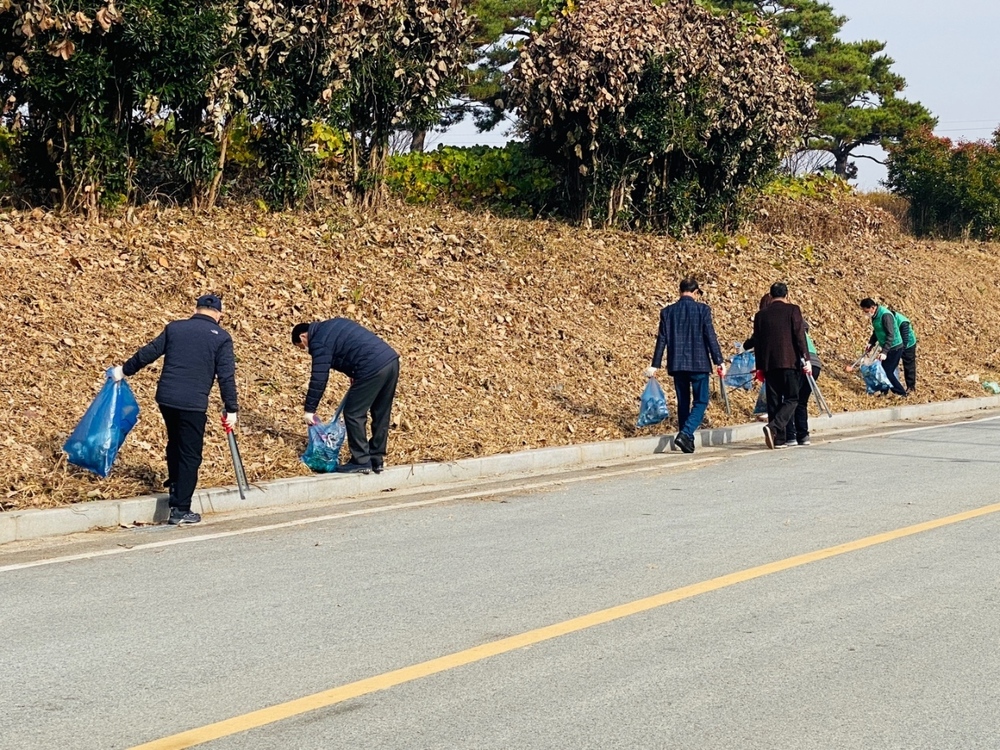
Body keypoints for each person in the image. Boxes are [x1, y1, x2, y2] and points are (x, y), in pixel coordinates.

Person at [109, 294, 239, 525]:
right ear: (218, 314)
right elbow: (226, 377)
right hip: (193, 402)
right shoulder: (222, 338)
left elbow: (148, 352)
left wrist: (124, 371)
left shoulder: (175, 328)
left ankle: (175, 487)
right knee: (190, 454)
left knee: (175, 442)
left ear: (197, 309)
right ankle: (180, 509)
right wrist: (231, 409)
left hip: (166, 398)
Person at [293, 318, 400, 474]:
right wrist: (354, 373)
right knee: (381, 412)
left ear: (303, 336)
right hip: (390, 361)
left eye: (302, 347)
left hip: (371, 367)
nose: (306, 349)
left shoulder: (318, 341)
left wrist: (310, 409)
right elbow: (351, 347)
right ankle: (376, 458)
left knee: (353, 413)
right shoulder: (334, 325)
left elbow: (319, 376)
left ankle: (361, 460)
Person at [644, 277, 724, 454]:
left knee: (683, 402)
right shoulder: (703, 310)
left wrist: (655, 365)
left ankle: (687, 441)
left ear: (680, 291)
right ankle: (686, 433)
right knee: (701, 401)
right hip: (699, 364)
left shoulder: (668, 312)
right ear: (696, 292)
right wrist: (719, 361)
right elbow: (711, 337)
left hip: (677, 364)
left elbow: (662, 340)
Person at [752, 282, 811, 449]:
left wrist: (759, 366)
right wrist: (805, 358)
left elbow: (758, 342)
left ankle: (779, 440)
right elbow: (799, 336)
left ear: (770, 296)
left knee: (774, 401)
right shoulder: (793, 310)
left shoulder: (761, 315)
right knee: (792, 398)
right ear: (787, 295)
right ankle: (774, 427)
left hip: (769, 364)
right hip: (789, 361)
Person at [860, 298, 907, 396]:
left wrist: (884, 352)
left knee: (887, 372)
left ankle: (900, 393)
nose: (866, 314)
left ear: (873, 307)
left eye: (867, 311)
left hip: (895, 347)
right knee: (883, 370)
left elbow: (891, 335)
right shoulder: (875, 316)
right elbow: (876, 331)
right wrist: (871, 343)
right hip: (887, 347)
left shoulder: (885, 315)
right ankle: (884, 391)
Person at [787, 321, 823, 446]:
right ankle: (803, 436)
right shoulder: (806, 336)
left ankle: (790, 436)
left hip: (801, 365)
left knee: (791, 399)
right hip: (816, 365)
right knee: (801, 402)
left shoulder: (790, 331)